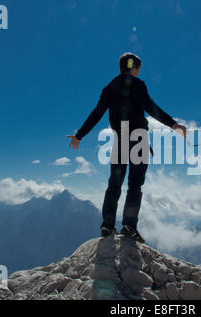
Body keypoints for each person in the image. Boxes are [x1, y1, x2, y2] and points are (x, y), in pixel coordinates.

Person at [67, 52, 187, 243]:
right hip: (138, 138)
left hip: (119, 138)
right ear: (134, 67)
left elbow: (96, 113)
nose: (140, 71)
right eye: (139, 67)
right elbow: (151, 107)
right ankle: (129, 227)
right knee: (135, 185)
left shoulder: (109, 87)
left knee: (114, 184)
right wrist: (173, 125)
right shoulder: (138, 85)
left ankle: (107, 227)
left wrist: (79, 135)